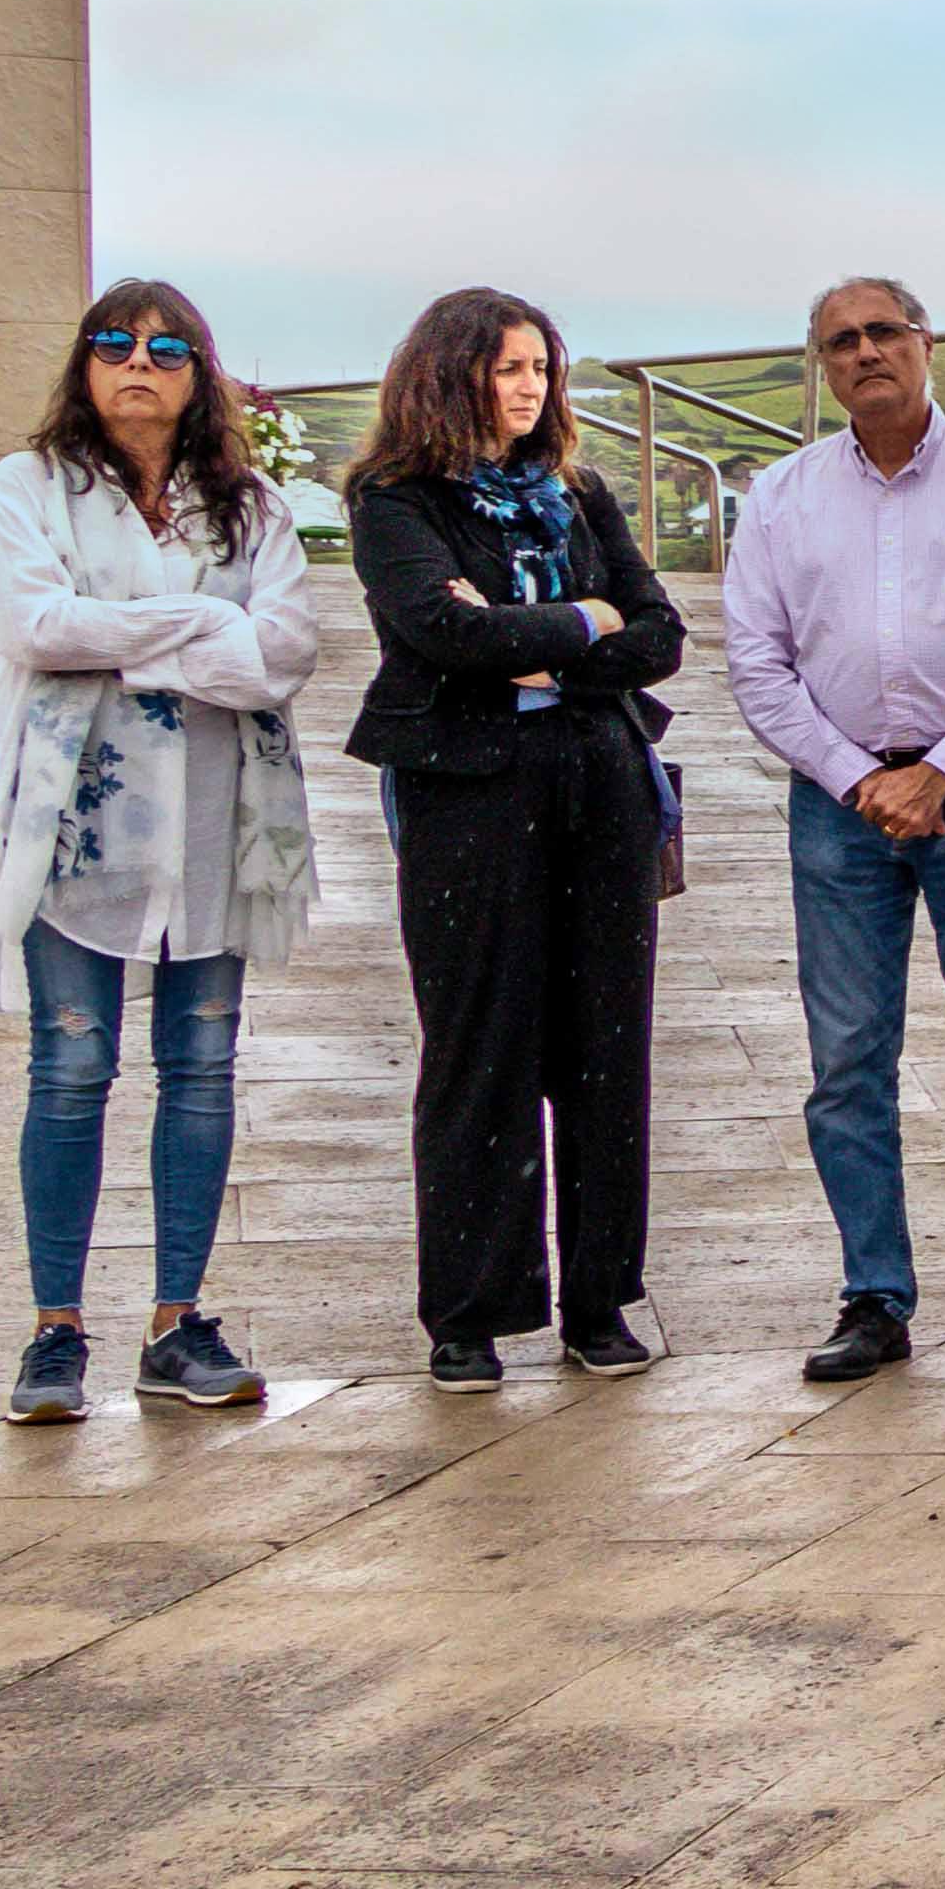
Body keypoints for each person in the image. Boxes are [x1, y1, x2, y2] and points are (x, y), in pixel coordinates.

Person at [0, 282, 319, 1423]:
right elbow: (34, 626)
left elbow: (285, 652)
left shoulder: (248, 502)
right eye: (113, 343)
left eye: (167, 349)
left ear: (199, 373)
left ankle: (177, 1322)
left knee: (202, 1072)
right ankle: (54, 1331)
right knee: (71, 1071)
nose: (138, 363)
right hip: (74, 827)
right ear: (85, 363)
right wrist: (205, 627)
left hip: (218, 824)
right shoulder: (31, 488)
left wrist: (140, 647)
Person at [723, 277, 945, 1387]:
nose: (867, 352)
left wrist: (943, 772)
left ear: (925, 345)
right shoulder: (781, 498)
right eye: (843, 341)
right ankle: (874, 1297)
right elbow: (756, 661)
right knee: (845, 1063)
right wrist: (852, 776)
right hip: (840, 812)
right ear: (823, 365)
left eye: (885, 332)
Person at [343, 286, 684, 1393]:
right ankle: (470, 1314)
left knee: (603, 1046)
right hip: (467, 795)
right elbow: (438, 631)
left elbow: (663, 633)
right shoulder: (395, 500)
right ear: (450, 375)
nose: (529, 387)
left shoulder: (577, 493)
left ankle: (599, 1303)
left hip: (599, 783)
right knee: (479, 1046)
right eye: (505, 368)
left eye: (540, 367)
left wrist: (543, 643)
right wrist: (586, 622)